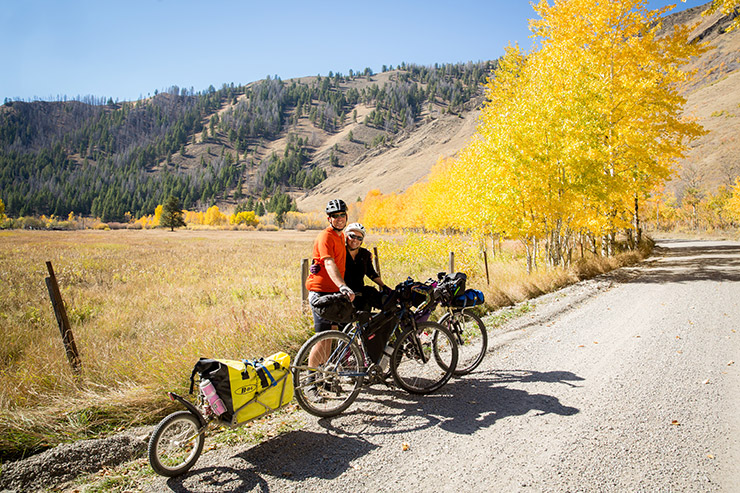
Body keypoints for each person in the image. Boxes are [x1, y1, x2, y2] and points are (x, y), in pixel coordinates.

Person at [304, 199, 355, 401]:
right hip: (321, 293)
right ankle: (310, 384)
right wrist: (342, 285)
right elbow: (328, 262)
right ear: (329, 219)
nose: (339, 218)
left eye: (342, 215)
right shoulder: (325, 236)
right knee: (322, 338)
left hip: (334, 293)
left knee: (332, 336)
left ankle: (324, 379)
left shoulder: (340, 236)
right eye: (335, 216)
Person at [343, 222, 388, 311]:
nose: (355, 240)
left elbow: (371, 273)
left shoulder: (365, 254)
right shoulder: (339, 253)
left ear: (362, 241)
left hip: (360, 293)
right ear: (346, 236)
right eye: (352, 236)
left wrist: (384, 286)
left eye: (359, 238)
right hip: (343, 294)